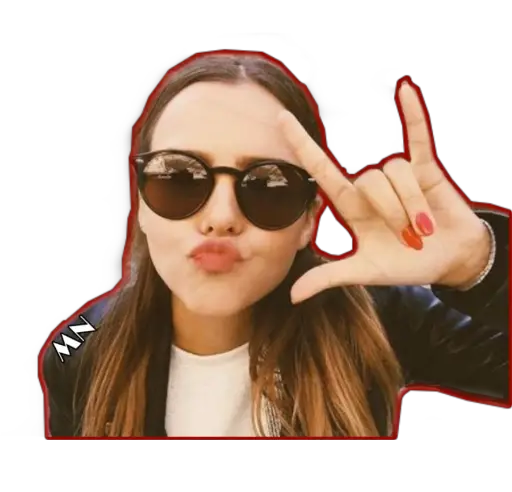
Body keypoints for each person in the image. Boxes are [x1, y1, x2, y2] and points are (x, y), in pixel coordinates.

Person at [40, 51, 509, 442]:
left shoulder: (376, 315)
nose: (221, 216)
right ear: (140, 203)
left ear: (308, 221)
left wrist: (480, 264)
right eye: (178, 177)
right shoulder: (77, 346)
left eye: (269, 185)